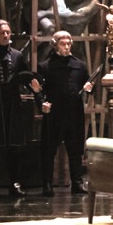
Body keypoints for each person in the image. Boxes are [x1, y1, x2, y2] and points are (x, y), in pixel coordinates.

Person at [0, 19, 42, 198]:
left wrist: (35, 88)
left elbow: (26, 76)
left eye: (8, 32)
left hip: (13, 106)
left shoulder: (17, 56)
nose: (5, 35)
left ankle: (15, 184)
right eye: (2, 33)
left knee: (15, 148)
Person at [36, 30, 94, 196]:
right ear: (55, 45)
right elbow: (38, 90)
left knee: (75, 149)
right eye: (63, 44)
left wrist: (89, 88)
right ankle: (47, 184)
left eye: (69, 44)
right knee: (49, 150)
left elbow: (89, 85)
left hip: (74, 113)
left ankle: (77, 183)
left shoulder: (80, 65)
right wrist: (41, 103)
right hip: (54, 113)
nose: (67, 47)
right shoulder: (45, 66)